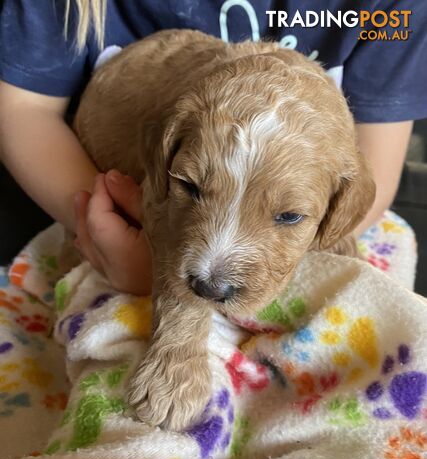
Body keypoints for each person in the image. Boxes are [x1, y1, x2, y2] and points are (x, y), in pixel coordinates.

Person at [0, 1, 426, 295]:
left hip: (303, 244)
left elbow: (371, 170)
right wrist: (110, 227)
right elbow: (22, 111)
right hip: (101, 217)